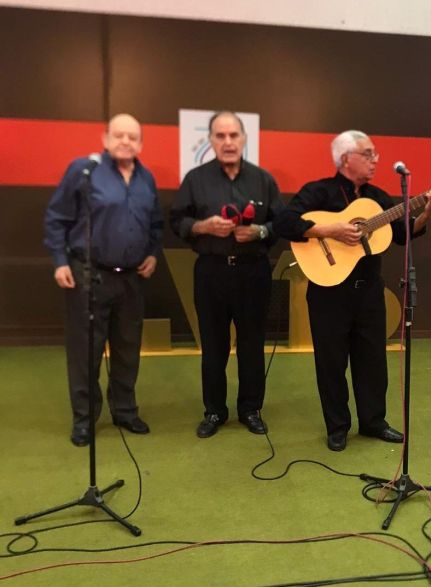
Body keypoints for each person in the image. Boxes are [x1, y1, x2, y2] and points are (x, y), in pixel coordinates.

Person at [274, 130, 431, 451]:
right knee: (331, 362)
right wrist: (331, 229)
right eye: (367, 154)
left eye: (375, 155)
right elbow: (284, 222)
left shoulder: (378, 198)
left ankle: (373, 422)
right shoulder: (317, 192)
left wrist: (430, 209)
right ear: (345, 159)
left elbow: (403, 233)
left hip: (368, 291)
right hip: (328, 292)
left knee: (372, 360)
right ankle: (337, 426)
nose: (375, 160)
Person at [44, 113, 163, 447]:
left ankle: (125, 410)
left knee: (128, 349)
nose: (125, 141)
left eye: (132, 137)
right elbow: (56, 218)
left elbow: (155, 224)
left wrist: (153, 253)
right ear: (105, 138)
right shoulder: (84, 171)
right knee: (86, 353)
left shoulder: (146, 178)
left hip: (132, 280)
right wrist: (59, 261)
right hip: (88, 275)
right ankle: (84, 419)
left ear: (140, 143)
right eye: (119, 135)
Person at [170, 111, 283, 438]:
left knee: (252, 346)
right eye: (220, 136)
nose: (228, 142)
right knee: (213, 347)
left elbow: (282, 223)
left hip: (253, 273)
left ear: (244, 139)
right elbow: (177, 221)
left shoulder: (263, 179)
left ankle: (250, 409)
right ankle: (214, 411)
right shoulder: (195, 179)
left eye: (234, 135)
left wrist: (260, 232)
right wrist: (202, 226)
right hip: (211, 273)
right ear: (211, 140)